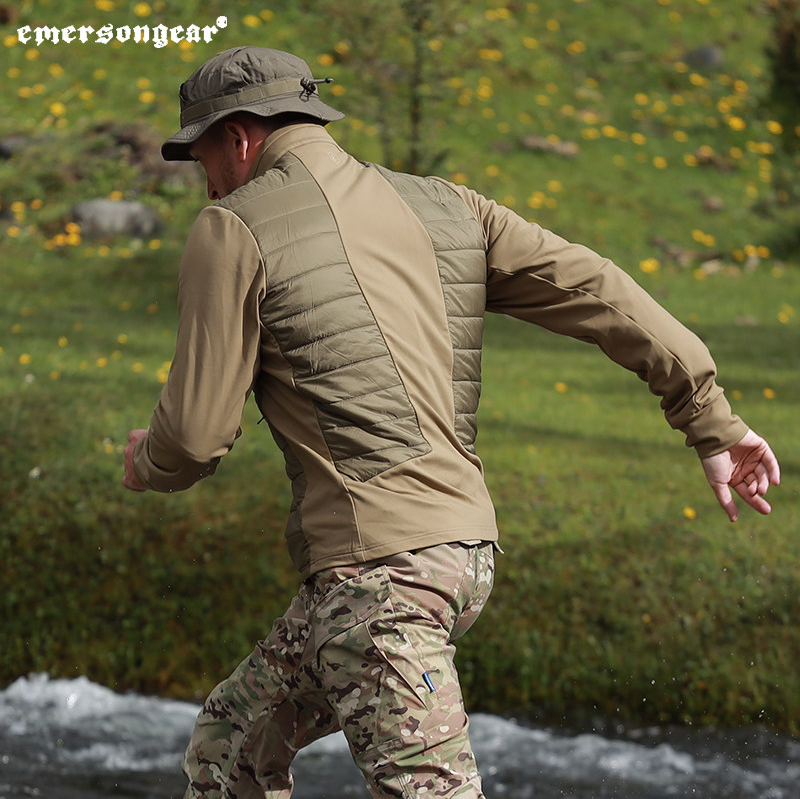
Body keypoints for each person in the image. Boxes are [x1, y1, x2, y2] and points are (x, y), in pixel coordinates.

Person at [122, 46, 780, 799]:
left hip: (380, 583)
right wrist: (712, 421)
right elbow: (602, 291)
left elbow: (196, 437)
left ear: (239, 137)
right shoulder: (446, 204)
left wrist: (150, 461)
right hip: (461, 560)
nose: (202, 179)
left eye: (201, 154)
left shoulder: (231, 228)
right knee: (230, 745)